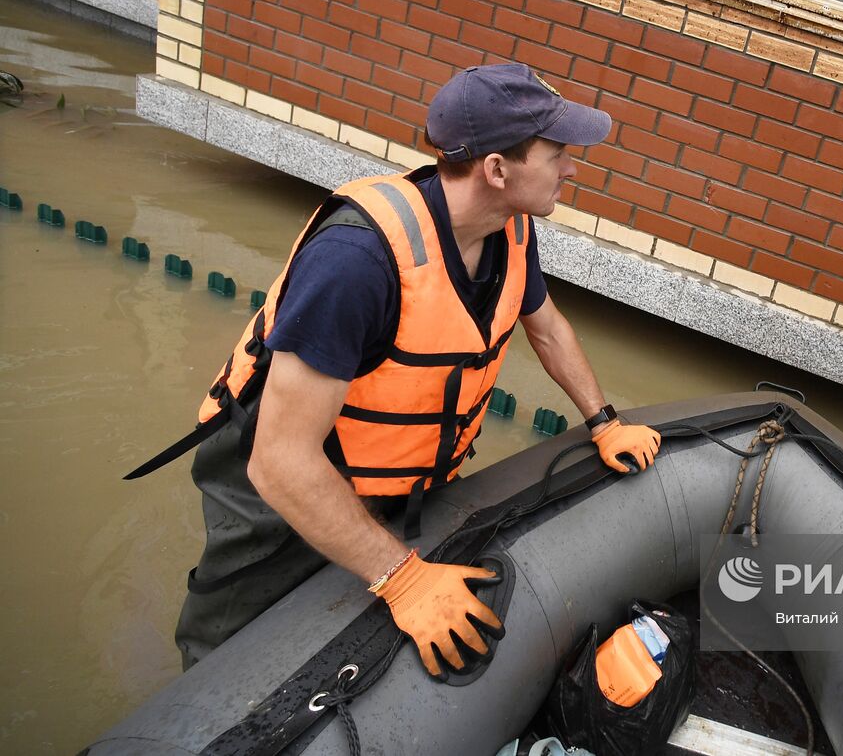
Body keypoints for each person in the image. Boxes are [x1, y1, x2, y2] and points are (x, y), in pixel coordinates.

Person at [151, 63, 663, 673]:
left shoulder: (510, 227)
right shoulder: (356, 263)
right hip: (282, 491)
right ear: (497, 169)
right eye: (558, 153)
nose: (574, 168)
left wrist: (603, 421)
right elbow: (279, 461)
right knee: (226, 658)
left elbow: (547, 328)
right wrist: (403, 580)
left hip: (399, 476)